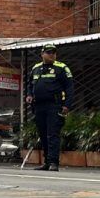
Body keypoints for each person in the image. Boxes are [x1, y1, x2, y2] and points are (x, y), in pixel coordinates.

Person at [26, 43, 73, 172]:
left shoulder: (62, 68)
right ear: (42, 54)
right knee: (43, 134)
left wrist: (67, 105)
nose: (52, 55)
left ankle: (53, 162)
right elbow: (30, 84)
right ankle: (47, 162)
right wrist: (29, 95)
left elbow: (69, 88)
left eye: (54, 52)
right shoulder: (36, 68)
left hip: (54, 105)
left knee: (53, 134)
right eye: (49, 52)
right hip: (39, 106)